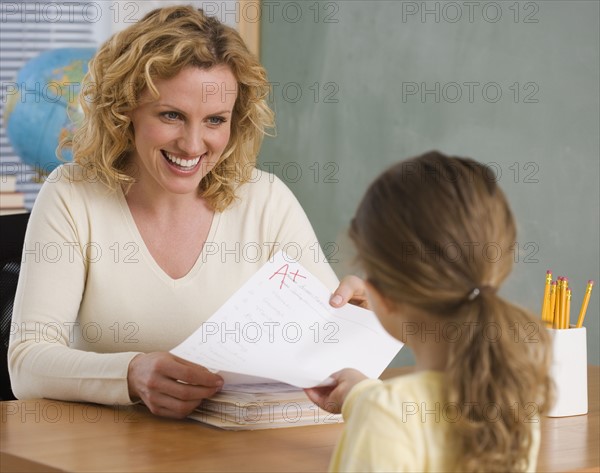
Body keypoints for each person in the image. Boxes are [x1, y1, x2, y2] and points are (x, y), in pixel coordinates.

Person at [8, 5, 353, 419]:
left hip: (241, 450)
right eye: (171, 115)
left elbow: (337, 347)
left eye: (214, 120)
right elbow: (26, 364)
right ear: (126, 110)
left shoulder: (266, 200)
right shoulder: (72, 195)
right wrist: (131, 374)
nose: (192, 145)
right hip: (112, 451)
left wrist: (365, 317)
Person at [305, 152, 554, 472]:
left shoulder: (386, 417)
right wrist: (361, 395)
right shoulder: (513, 400)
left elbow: (397, 419)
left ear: (383, 296)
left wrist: (374, 407)